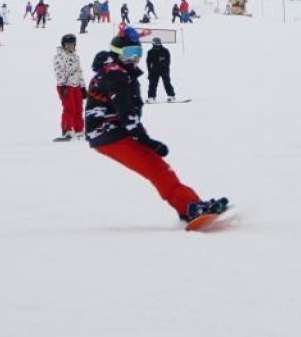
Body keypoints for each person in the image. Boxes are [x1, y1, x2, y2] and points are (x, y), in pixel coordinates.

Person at [84, 35, 228, 222]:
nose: (134, 58)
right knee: (156, 168)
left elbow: (128, 113)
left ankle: (191, 205)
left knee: (158, 168)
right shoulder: (115, 73)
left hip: (113, 132)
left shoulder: (118, 71)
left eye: (137, 53)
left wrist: (142, 138)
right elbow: (126, 112)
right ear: (117, 53)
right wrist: (146, 141)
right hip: (109, 133)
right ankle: (190, 208)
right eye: (129, 53)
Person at [53, 34, 86, 140]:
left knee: (78, 108)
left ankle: (79, 130)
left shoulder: (75, 57)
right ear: (63, 45)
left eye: (72, 45)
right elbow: (59, 72)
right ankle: (67, 130)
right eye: (67, 45)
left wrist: (83, 87)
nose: (70, 47)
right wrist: (62, 85)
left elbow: (79, 72)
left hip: (76, 86)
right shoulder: (60, 56)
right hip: (65, 87)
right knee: (69, 108)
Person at [146, 37, 177, 102]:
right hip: (154, 71)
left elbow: (168, 61)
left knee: (167, 83)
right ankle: (151, 97)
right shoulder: (150, 52)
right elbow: (148, 63)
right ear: (153, 43)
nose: (157, 45)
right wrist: (149, 72)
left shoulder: (165, 51)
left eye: (158, 43)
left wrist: (164, 66)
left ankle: (171, 96)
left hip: (164, 70)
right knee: (152, 84)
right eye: (156, 43)